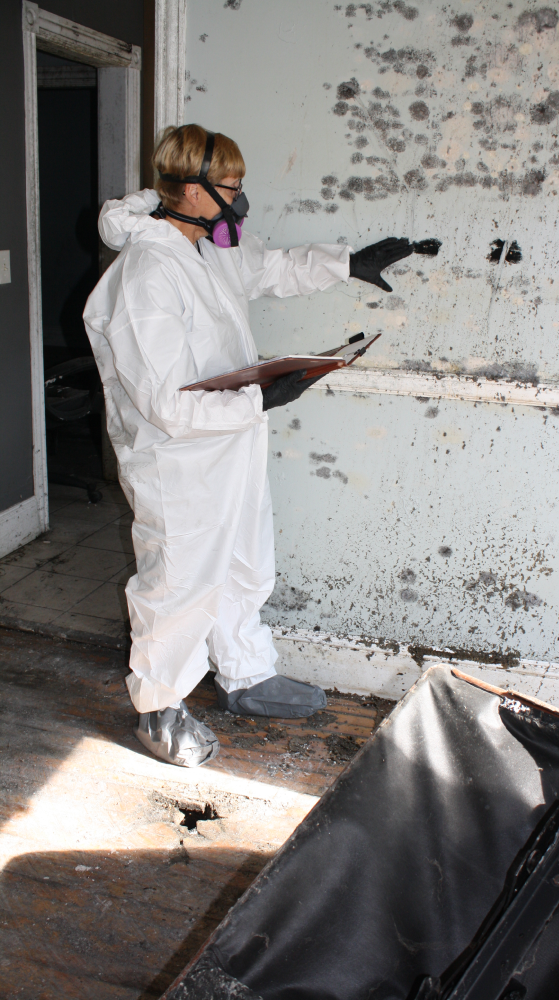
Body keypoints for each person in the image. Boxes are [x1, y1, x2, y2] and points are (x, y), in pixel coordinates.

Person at [83, 124, 414, 768]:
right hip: (177, 460)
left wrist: (348, 263)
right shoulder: (146, 276)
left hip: (230, 443)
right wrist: (262, 399)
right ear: (191, 190)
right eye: (231, 186)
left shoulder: (206, 249)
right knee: (179, 580)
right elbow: (166, 404)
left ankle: (246, 673)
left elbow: (268, 267)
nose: (241, 198)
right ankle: (159, 707)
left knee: (245, 561)